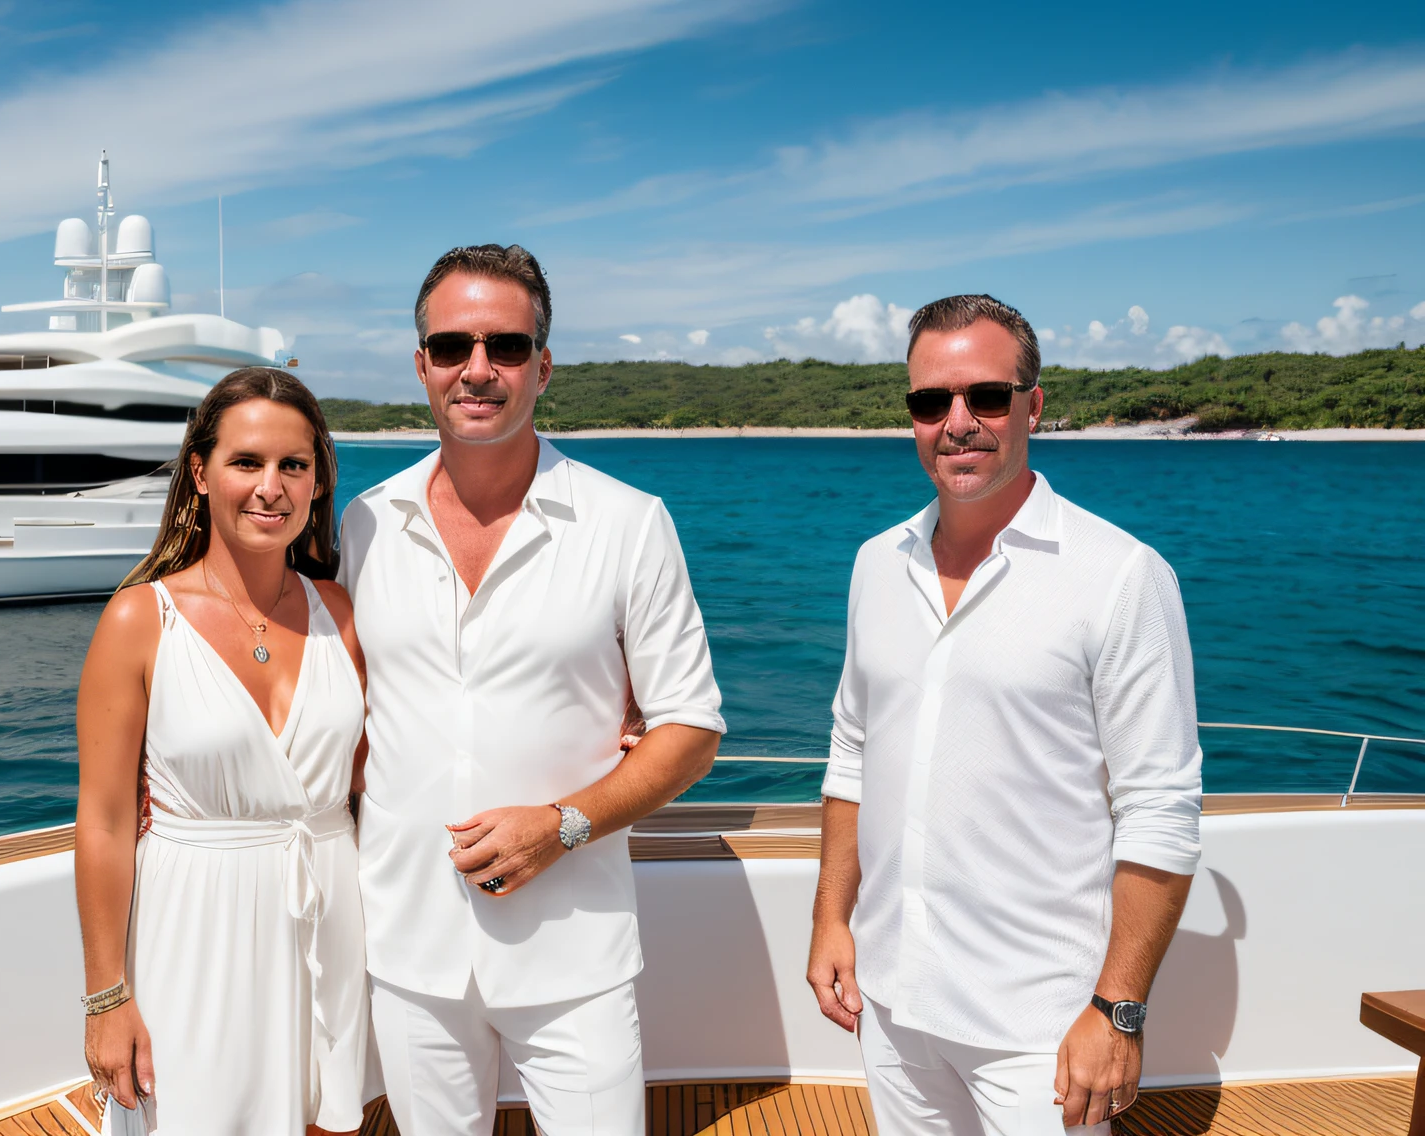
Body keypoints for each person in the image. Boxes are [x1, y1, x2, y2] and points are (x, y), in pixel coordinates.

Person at [340, 244, 726, 1135]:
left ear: (542, 366)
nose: (478, 370)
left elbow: (692, 727)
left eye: (505, 347)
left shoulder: (628, 523)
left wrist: (564, 826)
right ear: (422, 365)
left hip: (575, 950)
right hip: (407, 942)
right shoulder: (362, 524)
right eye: (452, 347)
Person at [806, 294, 1203, 1134]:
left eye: (986, 397)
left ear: (1033, 404)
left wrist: (1118, 1012)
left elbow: (1160, 812)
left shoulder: (1120, 576)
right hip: (894, 998)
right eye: (930, 402)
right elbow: (853, 753)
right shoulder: (878, 564)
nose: (958, 423)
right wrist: (830, 919)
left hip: (1042, 1023)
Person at [74, 367, 369, 1135]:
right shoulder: (142, 618)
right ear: (200, 473)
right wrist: (107, 999)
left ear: (315, 482)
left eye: (292, 466)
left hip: (331, 913)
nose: (270, 487)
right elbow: (104, 821)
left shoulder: (340, 611)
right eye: (247, 462)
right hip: (196, 927)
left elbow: (386, 766)